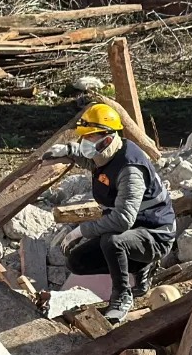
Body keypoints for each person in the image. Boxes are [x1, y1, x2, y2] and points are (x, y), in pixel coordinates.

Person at [48, 104, 176, 323]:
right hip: (134, 233)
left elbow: (123, 219)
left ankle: (122, 295)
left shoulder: (130, 169)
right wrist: (69, 151)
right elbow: (92, 161)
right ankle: (140, 266)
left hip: (155, 234)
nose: (84, 143)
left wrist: (81, 231)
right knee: (77, 262)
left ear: (106, 138)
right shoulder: (108, 153)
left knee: (113, 240)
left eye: (89, 138)